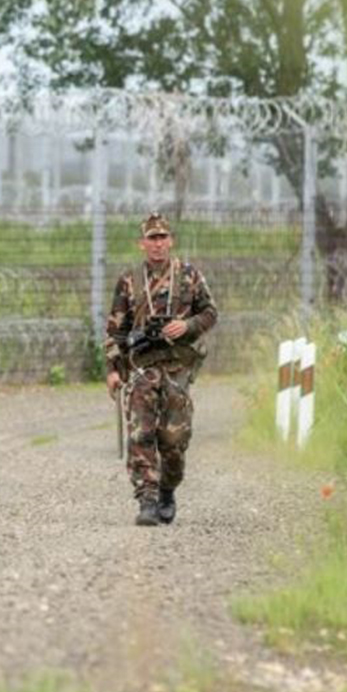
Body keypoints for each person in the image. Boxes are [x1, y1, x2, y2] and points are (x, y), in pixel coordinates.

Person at [106, 212, 217, 526]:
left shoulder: (189, 276)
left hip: (178, 368)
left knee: (173, 441)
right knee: (141, 433)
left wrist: (187, 325)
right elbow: (114, 331)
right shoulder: (129, 281)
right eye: (151, 238)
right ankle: (148, 500)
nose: (157, 244)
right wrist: (113, 369)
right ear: (142, 244)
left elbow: (210, 312)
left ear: (171, 241)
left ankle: (168, 488)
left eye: (162, 238)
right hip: (142, 368)